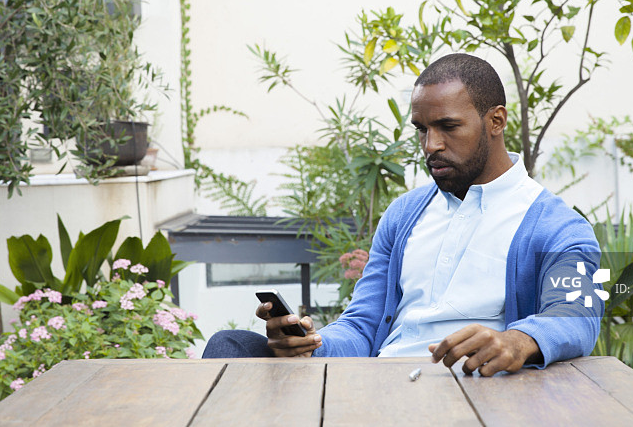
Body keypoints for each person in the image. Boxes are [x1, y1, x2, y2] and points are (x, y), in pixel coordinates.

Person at [203, 53, 603, 376]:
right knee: (230, 346)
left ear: (495, 120)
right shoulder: (404, 215)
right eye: (421, 130)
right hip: (379, 388)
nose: (431, 145)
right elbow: (362, 326)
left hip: (473, 395)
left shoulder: (558, 228)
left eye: (448, 127)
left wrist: (519, 340)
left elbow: (576, 318)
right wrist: (311, 344)